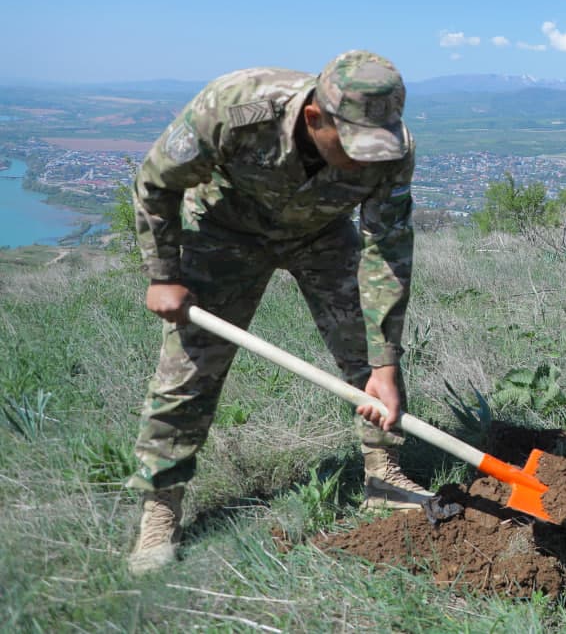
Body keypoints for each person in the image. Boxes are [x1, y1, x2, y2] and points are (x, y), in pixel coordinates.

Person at [126, 50, 433, 575]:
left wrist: (385, 363)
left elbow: (387, 249)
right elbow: (157, 182)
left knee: (368, 354)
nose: (367, 162)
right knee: (189, 372)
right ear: (315, 118)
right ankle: (162, 506)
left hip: (322, 235)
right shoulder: (235, 106)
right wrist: (163, 275)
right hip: (225, 231)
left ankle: (384, 473)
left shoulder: (390, 148)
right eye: (355, 148)